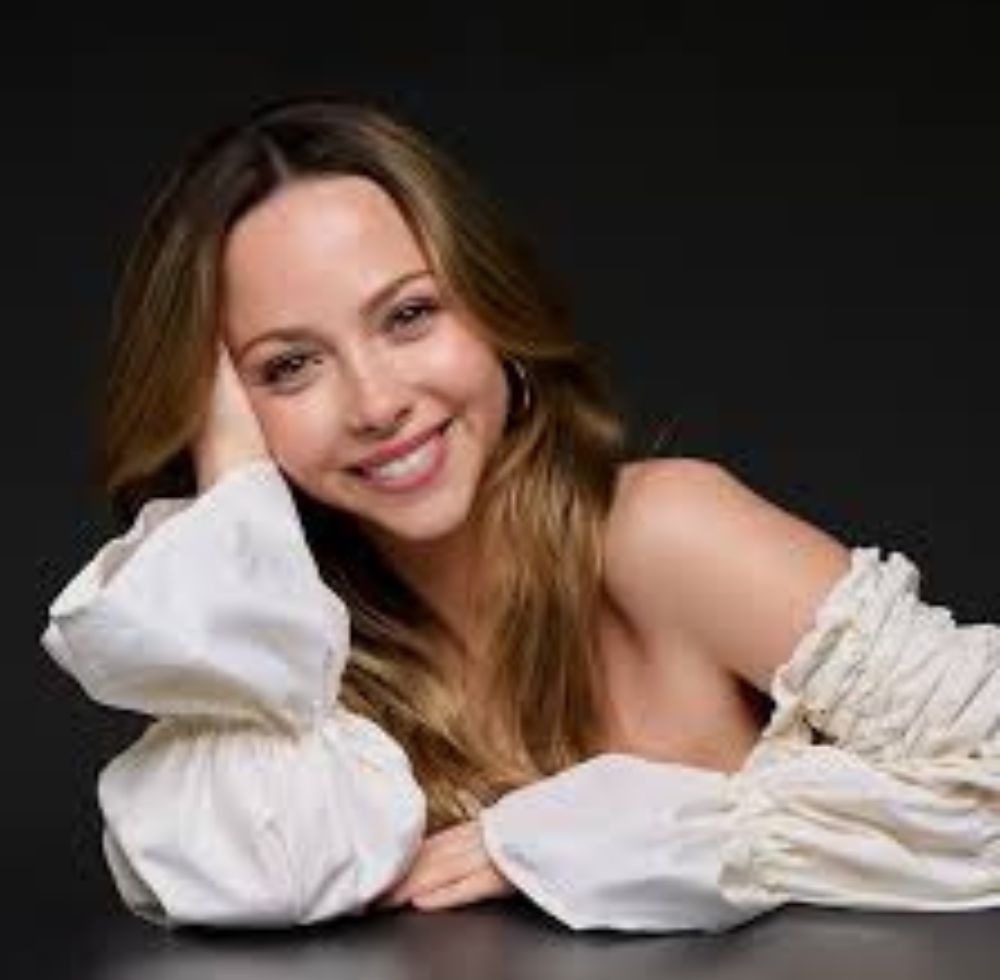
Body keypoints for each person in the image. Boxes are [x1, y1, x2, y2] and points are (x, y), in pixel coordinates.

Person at [42, 97, 1000, 933]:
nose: (376, 402)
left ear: (492, 309)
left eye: (408, 315)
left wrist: (651, 835)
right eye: (289, 366)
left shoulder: (661, 535)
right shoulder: (305, 673)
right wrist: (231, 487)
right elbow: (258, 880)